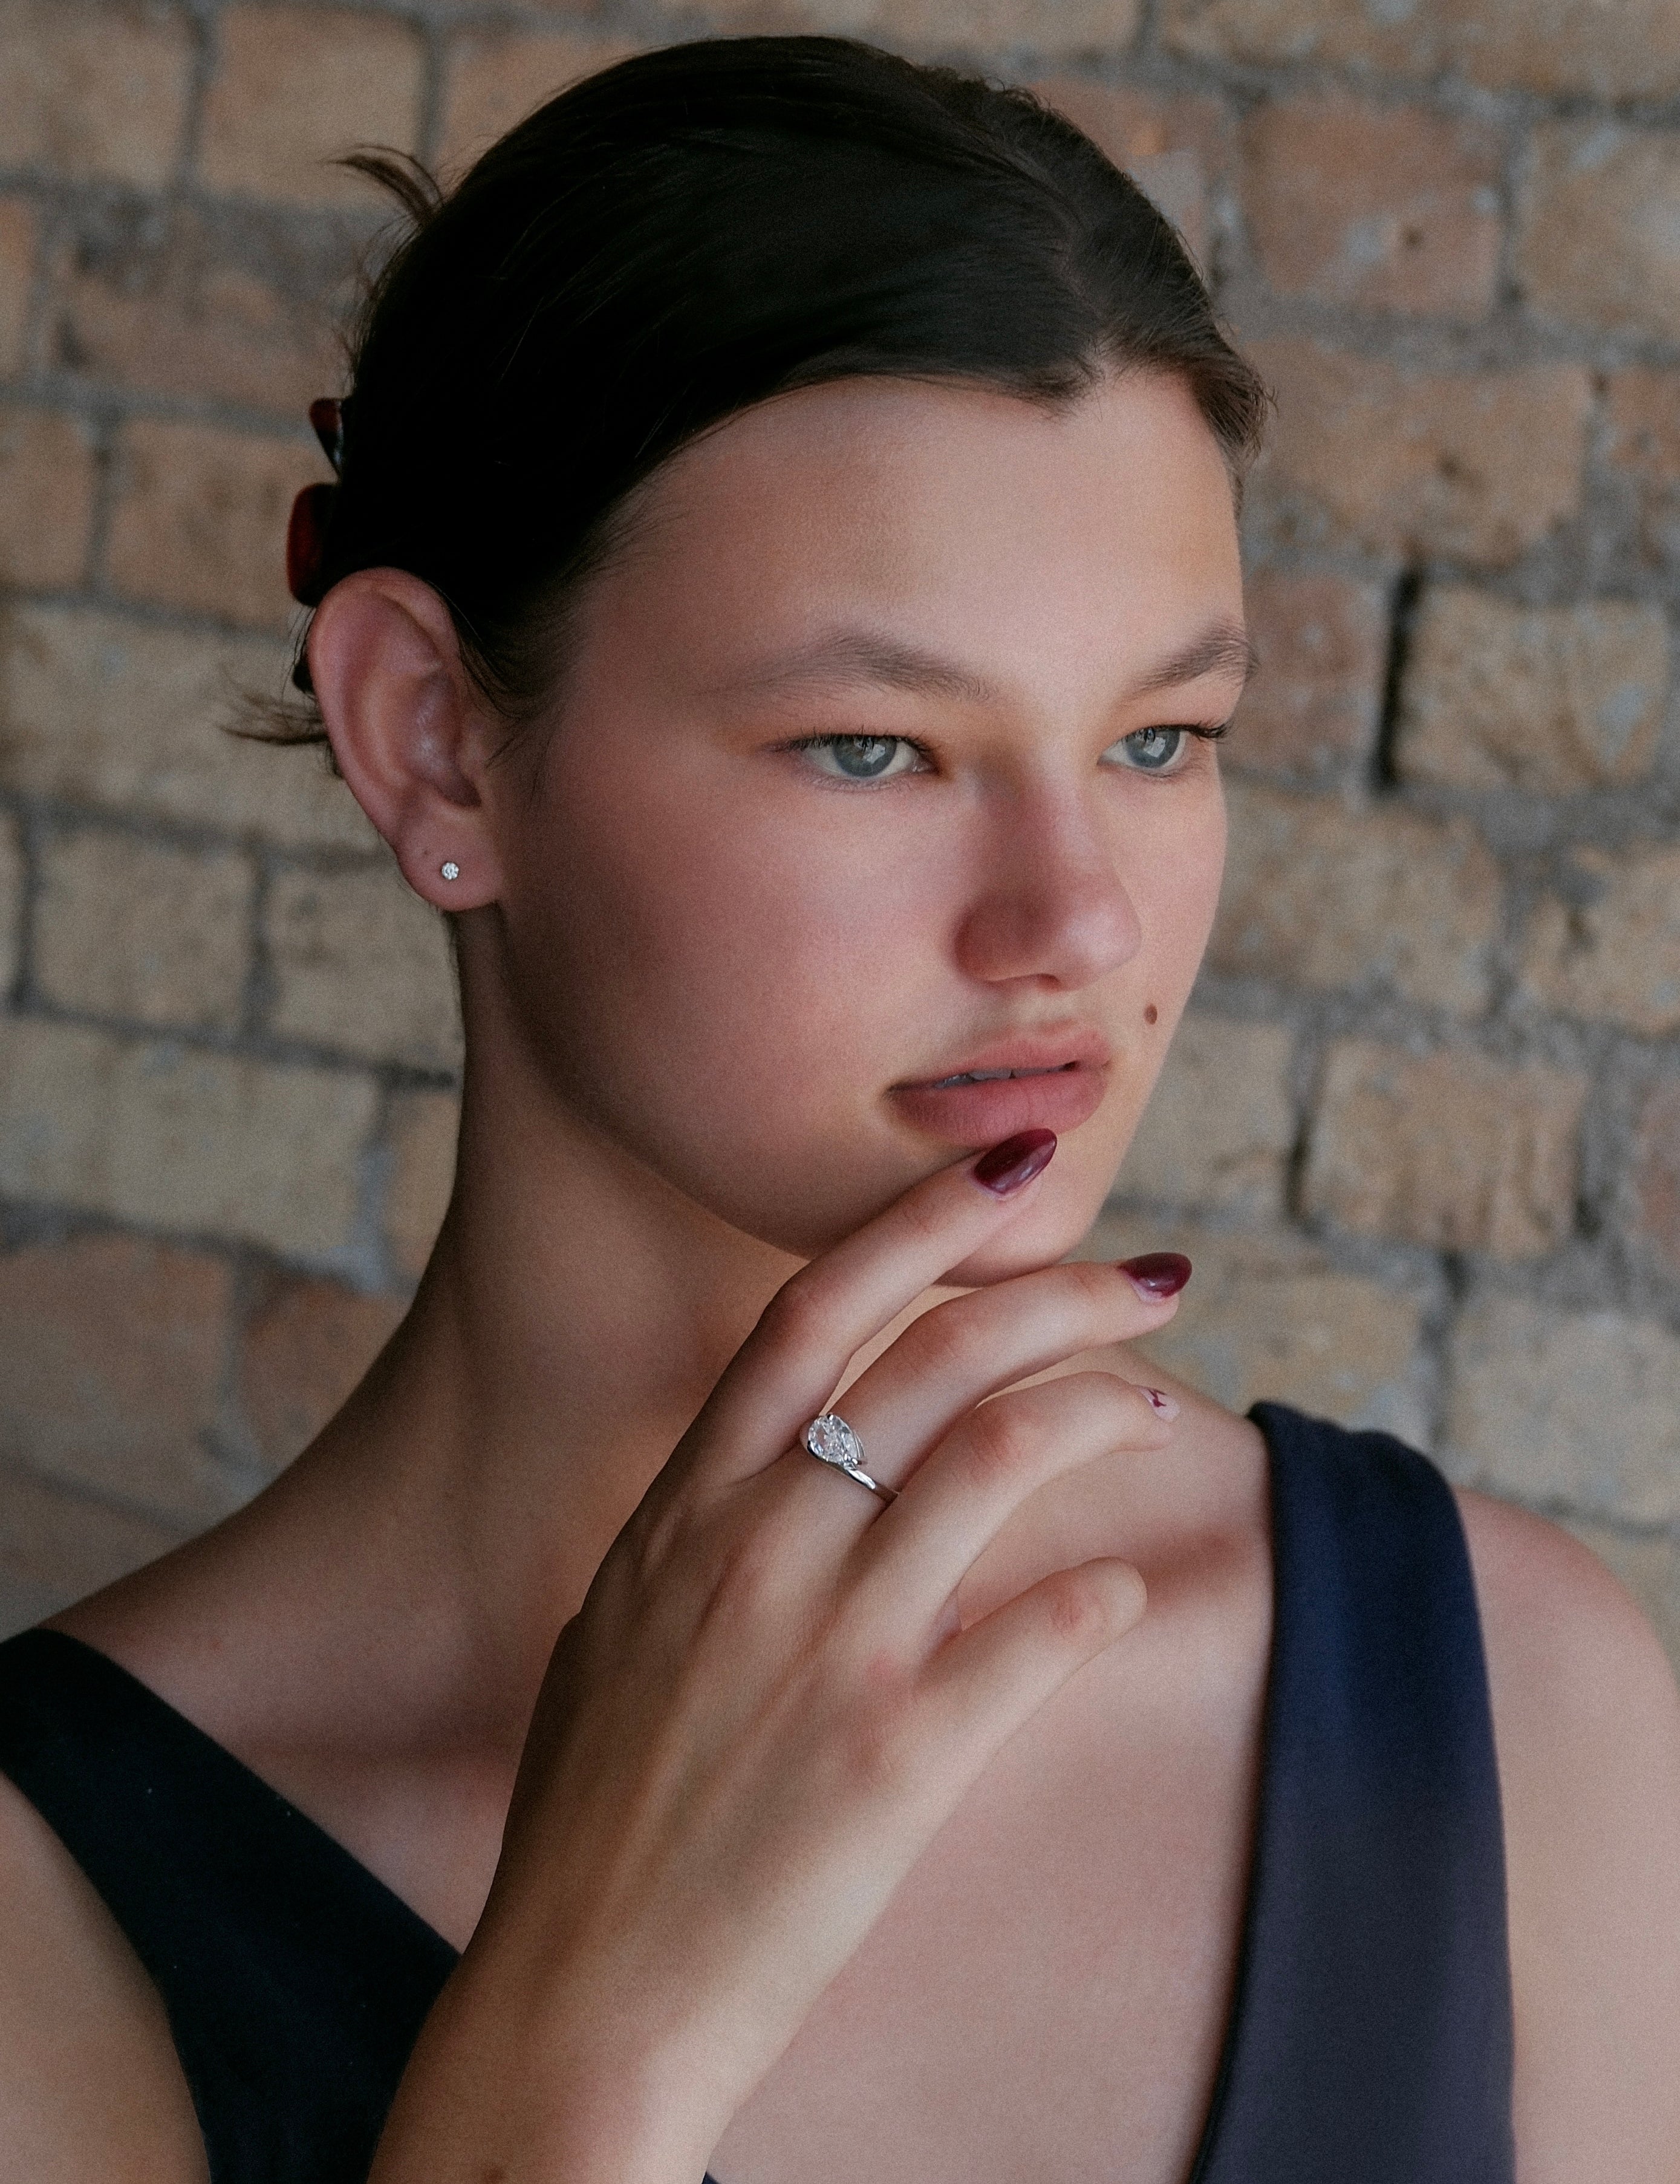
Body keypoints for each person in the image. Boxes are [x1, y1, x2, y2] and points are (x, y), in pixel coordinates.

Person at [1, 34, 1677, 2184]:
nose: (1073, 920)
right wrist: (586, 2038)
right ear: (429, 736)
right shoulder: (44, 1901)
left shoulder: (1510, 1698)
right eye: (874, 747)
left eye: (1160, 740)